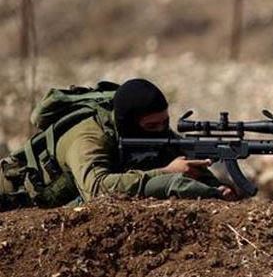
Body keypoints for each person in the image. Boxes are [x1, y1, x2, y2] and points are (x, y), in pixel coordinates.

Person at [1, 79, 236, 210]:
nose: (161, 130)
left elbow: (182, 159)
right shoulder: (89, 136)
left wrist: (215, 187)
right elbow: (97, 190)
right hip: (11, 196)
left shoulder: (152, 130)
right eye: (152, 125)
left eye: (165, 122)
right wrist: (165, 172)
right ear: (129, 124)